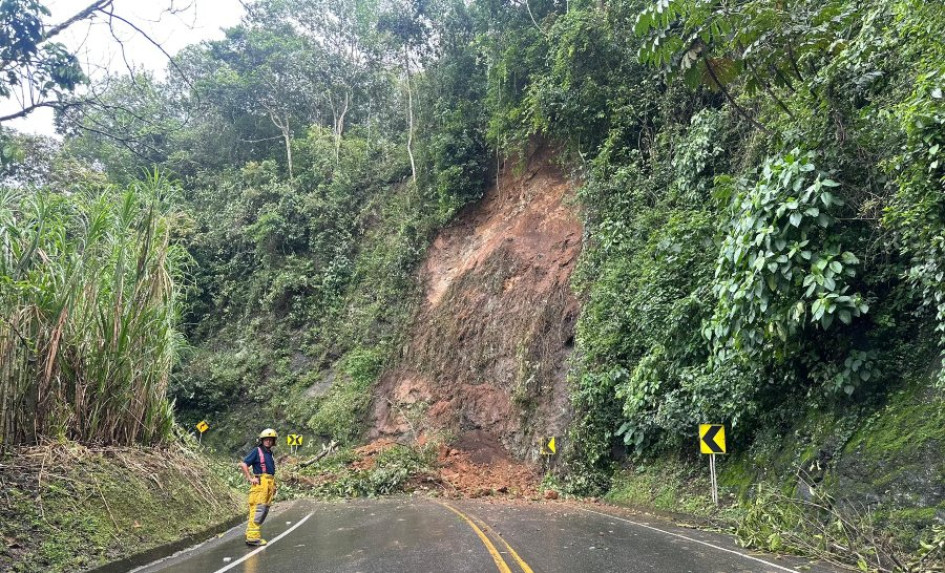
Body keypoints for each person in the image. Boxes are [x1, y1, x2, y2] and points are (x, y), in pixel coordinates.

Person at [240, 428, 278, 546]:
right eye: (266, 440)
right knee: (258, 510)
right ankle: (252, 538)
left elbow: (270, 471)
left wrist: (274, 485)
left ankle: (250, 534)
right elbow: (244, 464)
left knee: (264, 510)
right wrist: (250, 478)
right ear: (262, 440)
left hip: (269, 484)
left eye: (270, 440)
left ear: (273, 441)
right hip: (260, 484)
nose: (268, 442)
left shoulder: (270, 453)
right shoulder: (257, 451)